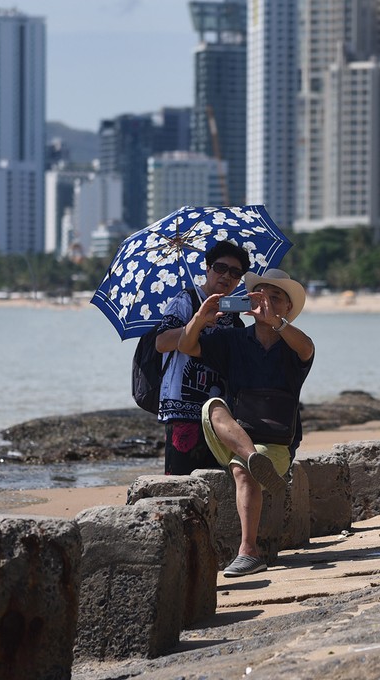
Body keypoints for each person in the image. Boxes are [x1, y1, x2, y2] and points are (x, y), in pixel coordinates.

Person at [177, 268, 315, 578]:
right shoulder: (233, 340)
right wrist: (200, 318)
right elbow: (186, 346)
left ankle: (249, 552)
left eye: (275, 298)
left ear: (288, 309)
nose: (266, 302)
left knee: (242, 469)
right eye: (260, 296)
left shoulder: (293, 344)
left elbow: (308, 348)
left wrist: (276, 324)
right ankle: (253, 458)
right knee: (213, 406)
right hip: (238, 434)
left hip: (278, 442)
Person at [153, 240, 252, 475]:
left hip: (221, 414)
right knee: (180, 480)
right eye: (220, 268)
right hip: (183, 408)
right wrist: (198, 321)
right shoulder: (185, 301)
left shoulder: (233, 316)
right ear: (207, 269)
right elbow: (161, 342)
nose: (227, 276)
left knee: (215, 480)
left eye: (235, 273)